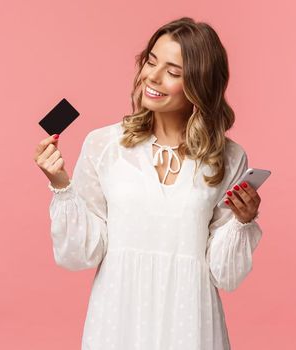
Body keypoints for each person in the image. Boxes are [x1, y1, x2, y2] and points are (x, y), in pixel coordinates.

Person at [33, 17, 263, 349]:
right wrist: (61, 185)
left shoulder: (227, 157)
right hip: (118, 318)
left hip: (190, 321)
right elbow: (82, 253)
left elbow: (224, 274)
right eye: (151, 61)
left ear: (199, 84)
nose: (151, 77)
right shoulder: (105, 145)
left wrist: (243, 221)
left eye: (172, 71)